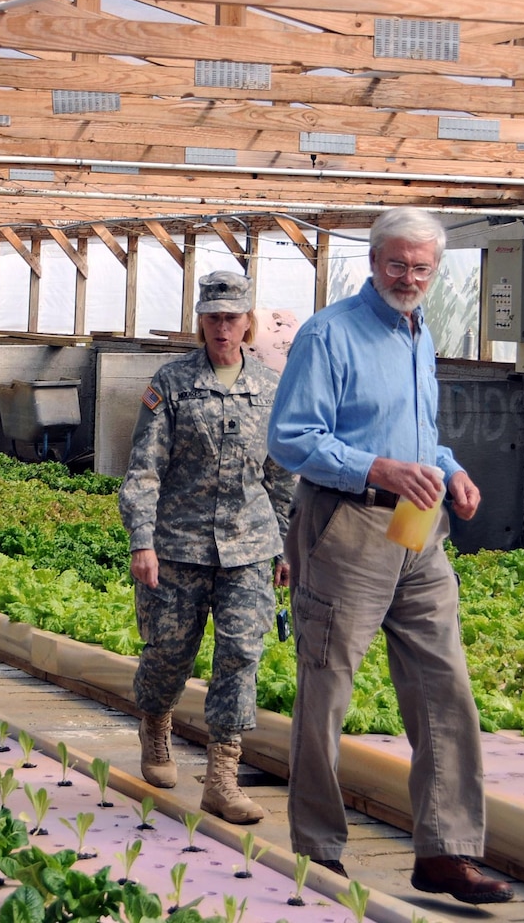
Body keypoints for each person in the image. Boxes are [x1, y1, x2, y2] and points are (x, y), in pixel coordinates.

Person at [266, 207, 513, 904]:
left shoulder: (417, 330)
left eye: (422, 268)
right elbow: (291, 438)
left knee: (445, 687)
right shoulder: (329, 334)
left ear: (435, 271)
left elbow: (415, 434)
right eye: (397, 264)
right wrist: (379, 469)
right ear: (374, 261)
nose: (409, 277)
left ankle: (447, 851)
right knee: (328, 688)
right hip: (347, 525)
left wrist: (449, 468)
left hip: (417, 527)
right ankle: (319, 848)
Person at [119, 271, 293, 825]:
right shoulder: (170, 384)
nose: (223, 327)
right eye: (214, 317)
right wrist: (142, 542)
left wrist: (286, 547)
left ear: (249, 323)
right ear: (201, 321)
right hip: (178, 547)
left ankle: (222, 776)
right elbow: (144, 469)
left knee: (241, 655)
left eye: (233, 317)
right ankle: (156, 722)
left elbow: (281, 476)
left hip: (250, 548)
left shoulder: (270, 388)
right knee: (169, 654)